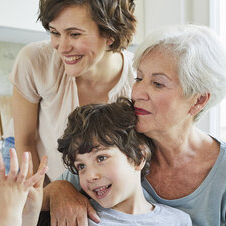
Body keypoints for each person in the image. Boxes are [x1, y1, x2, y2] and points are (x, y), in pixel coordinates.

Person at [43, 24, 226, 226]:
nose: (137, 92)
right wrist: (61, 190)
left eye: (157, 84)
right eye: (138, 78)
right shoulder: (121, 146)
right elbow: (40, 198)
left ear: (199, 100)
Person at [14, 98, 195, 226]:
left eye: (101, 158)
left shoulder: (178, 223)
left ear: (138, 157)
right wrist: (28, 215)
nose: (90, 175)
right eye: (81, 166)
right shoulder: (79, 221)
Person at [8, 0, 137, 182]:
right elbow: (25, 141)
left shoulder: (138, 79)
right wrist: (46, 198)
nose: (62, 46)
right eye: (55, 33)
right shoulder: (34, 60)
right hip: (40, 174)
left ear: (110, 33)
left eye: (75, 34)